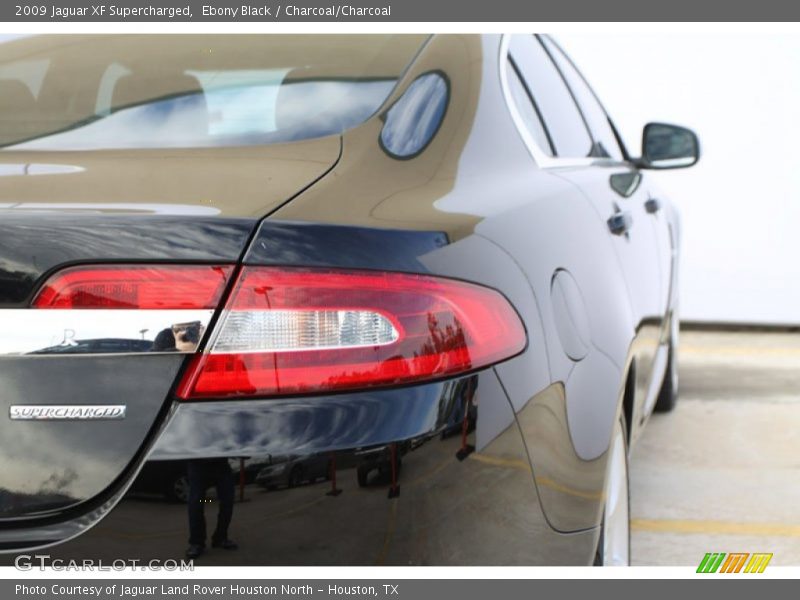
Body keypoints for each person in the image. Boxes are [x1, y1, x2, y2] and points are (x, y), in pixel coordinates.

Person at [185, 458, 237, 559]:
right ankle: (197, 542)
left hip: (221, 464)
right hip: (197, 465)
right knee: (196, 503)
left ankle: (220, 537)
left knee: (227, 501)